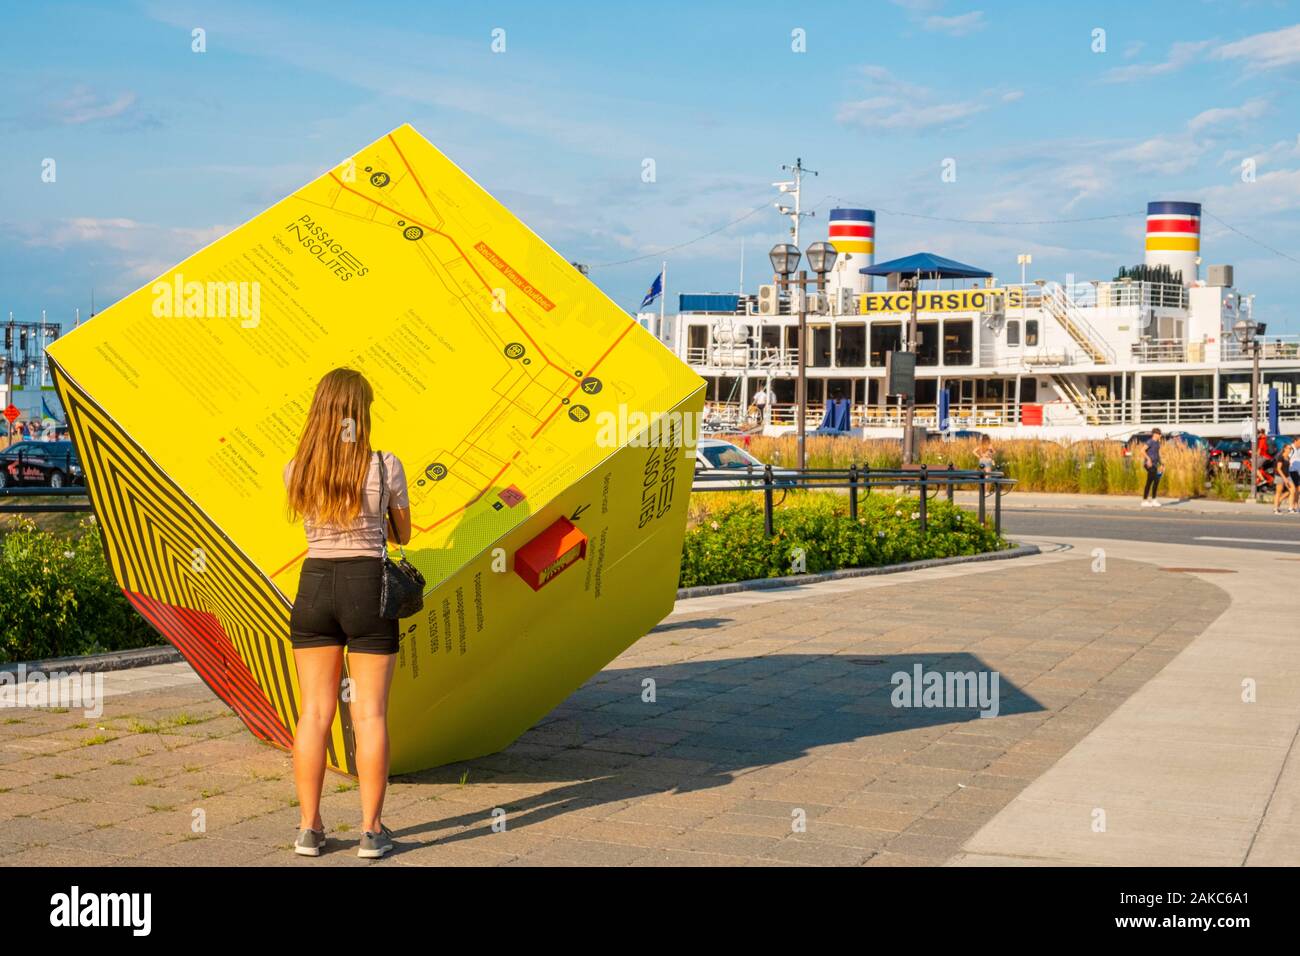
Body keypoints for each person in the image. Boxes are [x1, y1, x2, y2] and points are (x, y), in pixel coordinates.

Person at [283, 367, 412, 860]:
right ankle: (371, 831)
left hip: (314, 585)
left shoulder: (297, 468)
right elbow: (403, 533)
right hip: (367, 586)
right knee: (371, 712)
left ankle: (309, 828)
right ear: (361, 413)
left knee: (313, 713)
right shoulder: (385, 465)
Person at [1141, 429, 1164, 507]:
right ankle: (1147, 501)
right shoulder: (1150, 441)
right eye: (1159, 434)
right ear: (1155, 434)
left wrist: (1161, 464)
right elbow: (1142, 450)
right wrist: (1148, 459)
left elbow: (1157, 454)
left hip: (1154, 465)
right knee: (1156, 479)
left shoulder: (1157, 443)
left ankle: (1149, 500)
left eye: (1160, 434)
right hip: (1148, 464)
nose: (1160, 435)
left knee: (1151, 482)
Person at [1273, 442, 1295, 514]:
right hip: (1280, 476)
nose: (1290, 450)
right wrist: (1284, 478)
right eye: (1289, 448)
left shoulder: (1288, 457)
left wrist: (1287, 477)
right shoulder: (1280, 457)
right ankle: (1276, 509)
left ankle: (1290, 508)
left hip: (1287, 476)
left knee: (1292, 490)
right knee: (1278, 492)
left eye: (1291, 448)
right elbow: (1278, 469)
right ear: (1285, 449)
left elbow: (1286, 468)